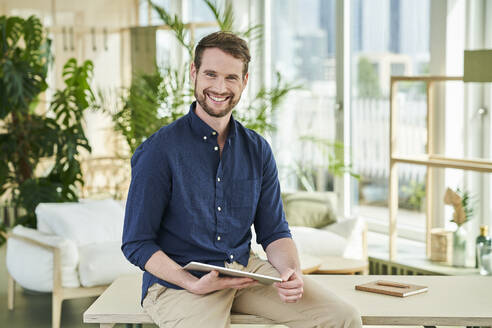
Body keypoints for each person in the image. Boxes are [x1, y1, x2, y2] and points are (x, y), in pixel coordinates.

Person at [122, 31, 362, 328]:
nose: (220, 87)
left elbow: (274, 232)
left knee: (343, 318)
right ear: (194, 74)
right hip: (180, 283)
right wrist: (192, 283)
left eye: (231, 78)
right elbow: (136, 242)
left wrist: (291, 273)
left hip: (244, 271)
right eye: (210, 74)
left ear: (244, 81)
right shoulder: (159, 151)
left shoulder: (257, 149)